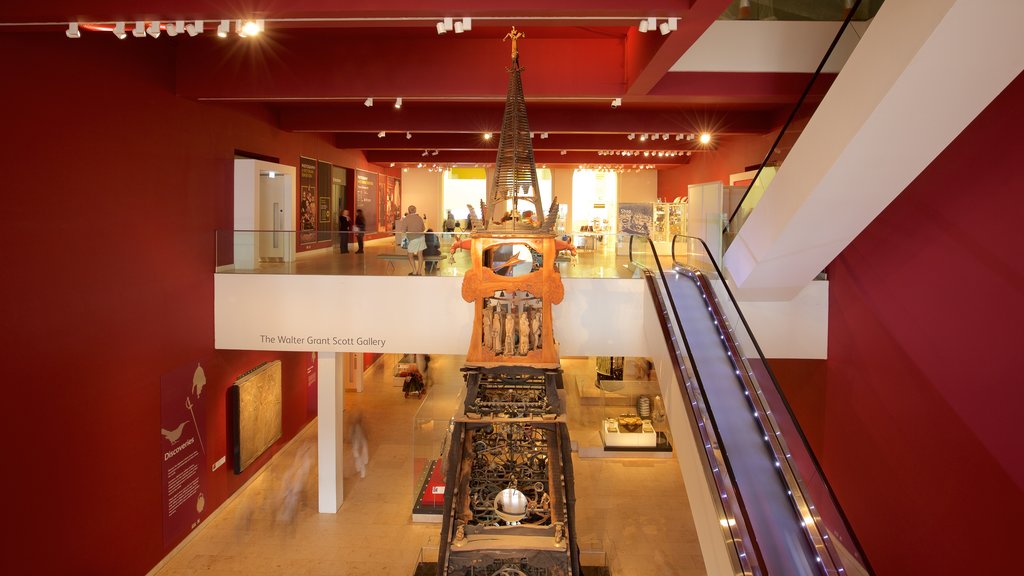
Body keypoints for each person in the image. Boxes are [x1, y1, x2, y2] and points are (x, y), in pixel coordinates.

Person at [398, 205, 426, 275]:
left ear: (408, 211)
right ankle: (419, 272)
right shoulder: (419, 218)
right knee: (420, 254)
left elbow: (403, 230)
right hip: (421, 238)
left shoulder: (406, 218)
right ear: (415, 210)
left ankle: (414, 271)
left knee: (410, 255)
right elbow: (423, 228)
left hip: (413, 239)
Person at [350, 409, 368, 478]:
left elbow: (358, 437)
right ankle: (359, 467)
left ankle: (362, 470)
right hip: (357, 444)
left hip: (358, 445)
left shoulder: (357, 427)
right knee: (357, 456)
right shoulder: (355, 427)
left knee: (358, 456)